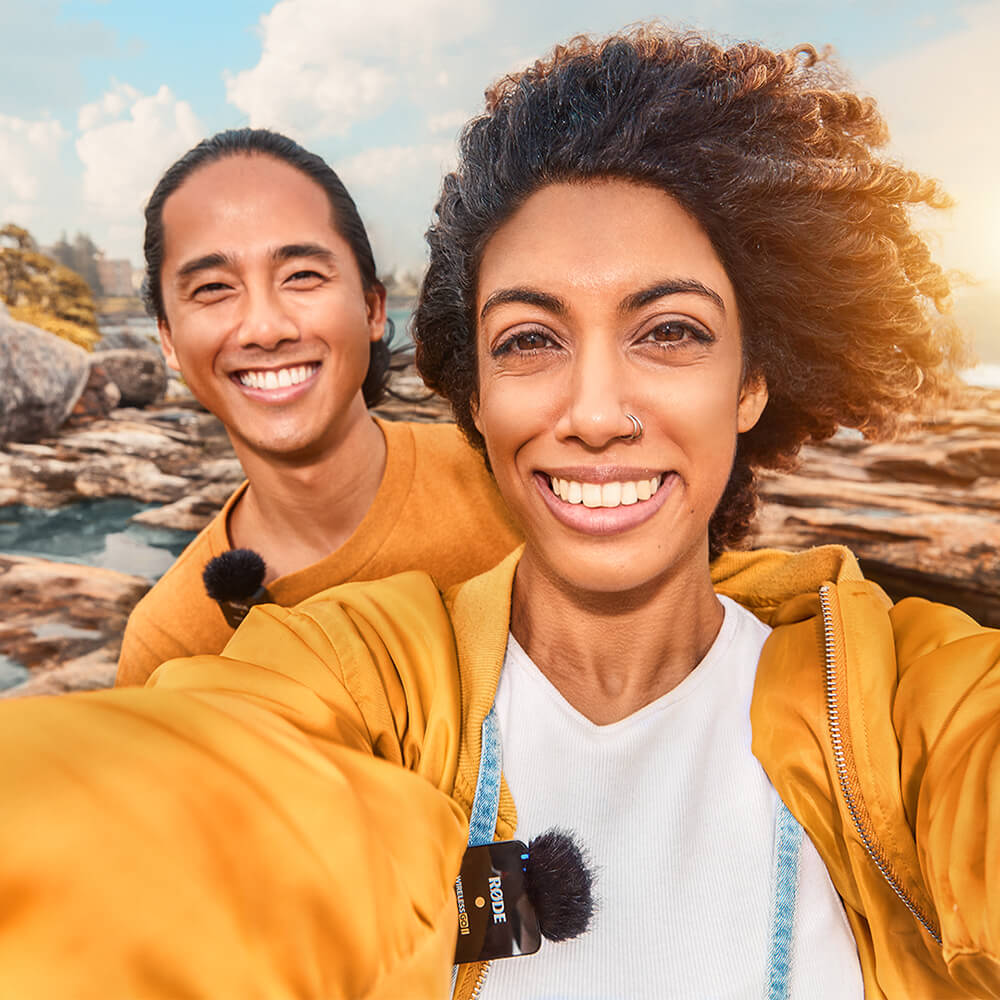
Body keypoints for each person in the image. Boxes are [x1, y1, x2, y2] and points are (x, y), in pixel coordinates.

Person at [0, 27, 996, 1000]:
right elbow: (201, 830)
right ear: (474, 394)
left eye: (672, 329)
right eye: (527, 340)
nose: (596, 414)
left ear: (752, 381)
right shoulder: (341, 666)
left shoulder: (899, 703)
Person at [115, 128, 520, 686]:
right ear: (166, 340)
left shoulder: (510, 478)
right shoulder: (170, 644)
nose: (265, 328)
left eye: (302, 276)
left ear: (373, 308)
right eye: (212, 288)